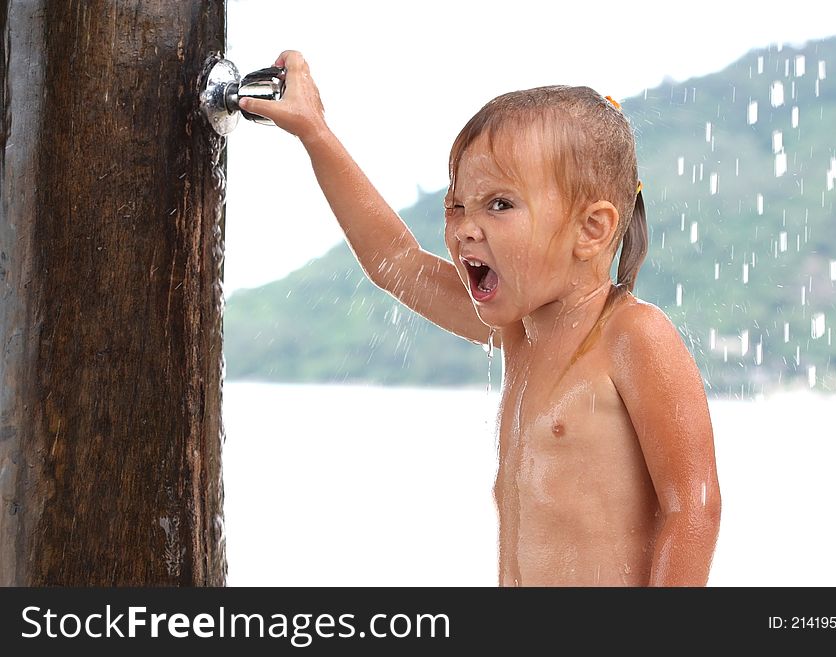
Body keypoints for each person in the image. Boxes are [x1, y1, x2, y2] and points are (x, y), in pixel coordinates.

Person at [240, 50, 722, 586]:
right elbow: (392, 261)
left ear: (592, 229)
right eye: (456, 206)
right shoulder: (520, 337)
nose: (465, 228)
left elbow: (694, 507)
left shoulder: (633, 336)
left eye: (498, 205)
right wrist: (316, 133)